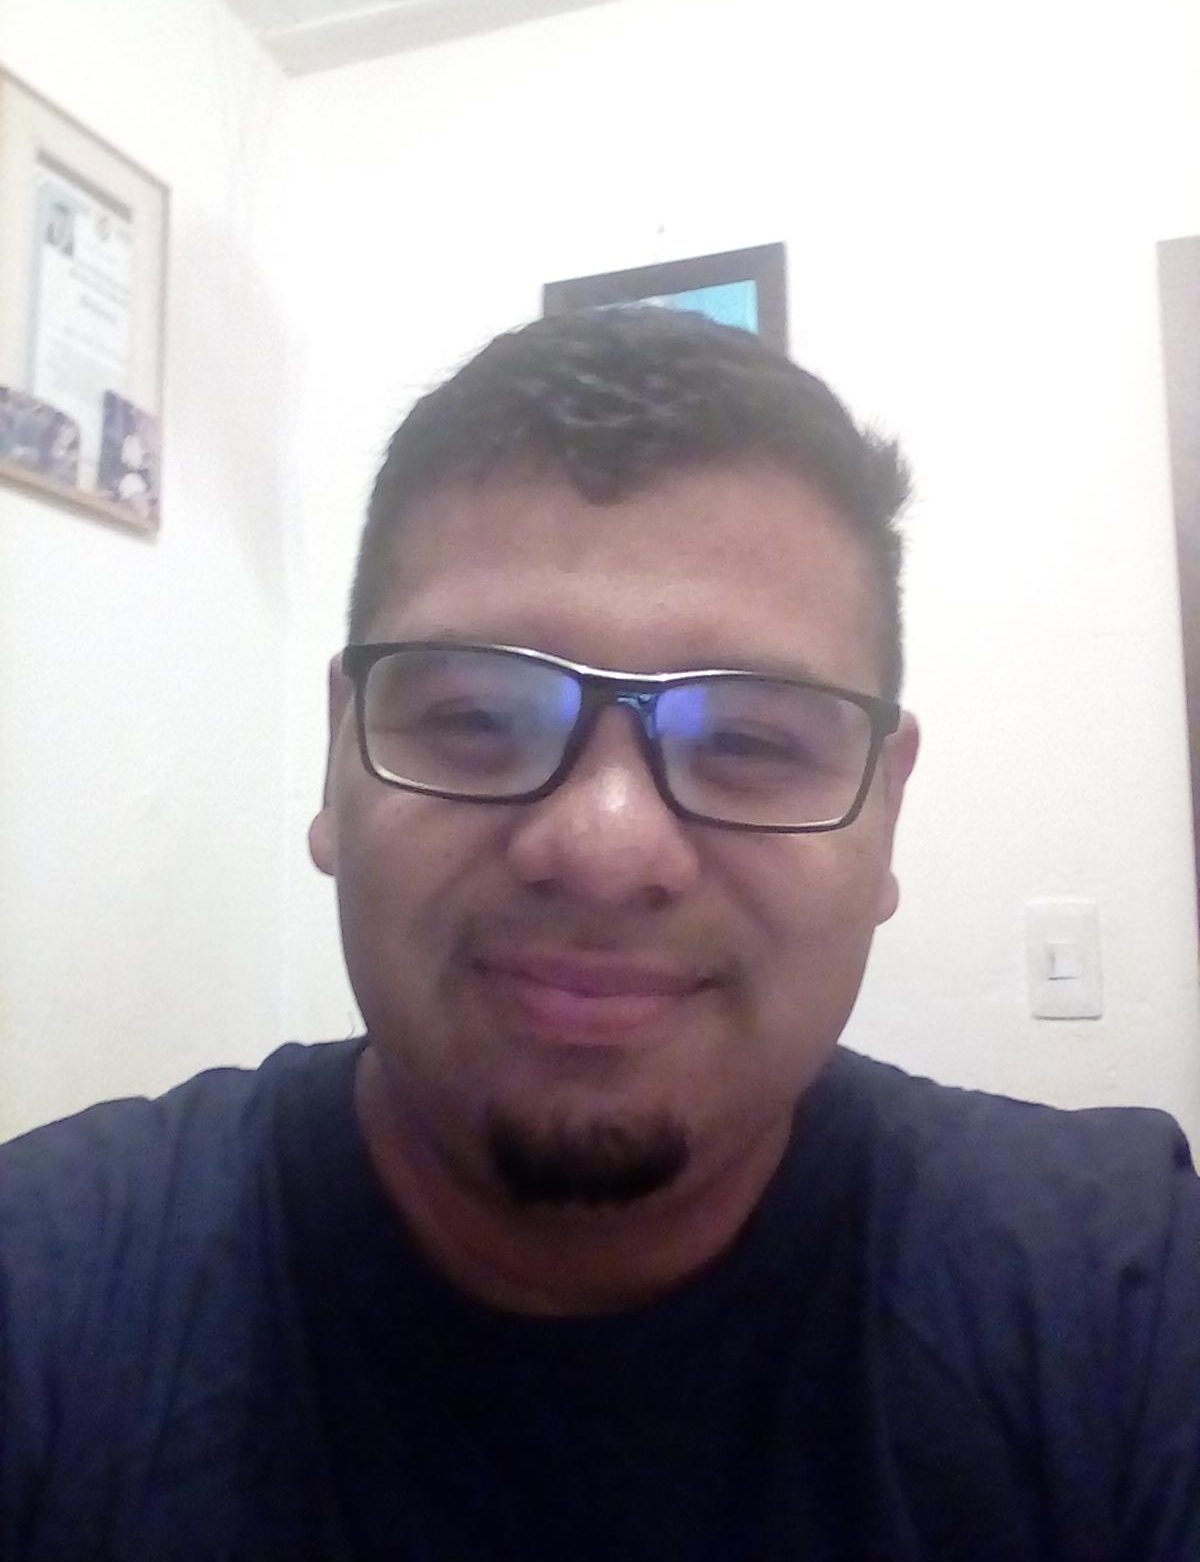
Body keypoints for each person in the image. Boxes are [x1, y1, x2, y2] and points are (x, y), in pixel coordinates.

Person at [0, 307, 1196, 1561]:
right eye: (475, 719)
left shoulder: (1122, 1298)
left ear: (885, 809)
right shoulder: (47, 1296)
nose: (605, 847)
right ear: (338, 758)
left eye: (748, 741)